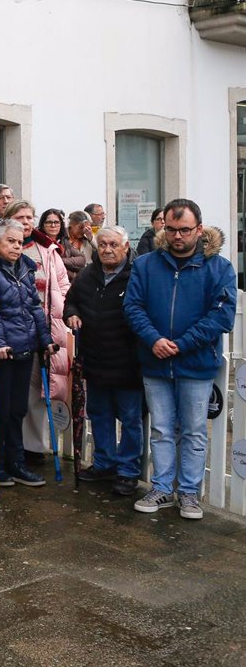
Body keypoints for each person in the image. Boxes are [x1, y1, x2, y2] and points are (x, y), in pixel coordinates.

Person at [125, 199, 235, 521]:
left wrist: (181, 344)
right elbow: (133, 307)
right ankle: (161, 488)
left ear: (199, 230)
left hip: (196, 364)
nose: (177, 236)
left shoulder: (220, 268)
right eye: (170, 229)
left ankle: (188, 493)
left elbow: (221, 316)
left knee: (194, 431)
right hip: (155, 361)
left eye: (184, 230)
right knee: (160, 429)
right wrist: (154, 340)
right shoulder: (146, 265)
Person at [0, 219, 57, 487]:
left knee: (18, 409)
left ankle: (16, 462)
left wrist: (45, 341)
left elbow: (34, 306)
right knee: (0, 409)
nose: (16, 247)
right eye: (10, 241)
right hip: (2, 351)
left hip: (25, 347)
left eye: (20, 243)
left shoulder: (25, 267)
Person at [63, 225, 142, 497]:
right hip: (95, 360)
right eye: (103, 244)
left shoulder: (136, 276)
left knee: (131, 419)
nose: (108, 249)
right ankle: (105, 463)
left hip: (127, 362)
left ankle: (129, 471)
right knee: (100, 414)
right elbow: (70, 302)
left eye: (113, 245)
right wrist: (71, 315)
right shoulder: (88, 275)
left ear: (126, 247)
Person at [3, 201, 71, 465]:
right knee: (20, 393)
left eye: (29, 216)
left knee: (43, 390)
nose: (26, 221)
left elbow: (62, 283)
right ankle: (15, 445)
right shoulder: (3, 248)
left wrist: (59, 310)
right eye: (20, 216)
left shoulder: (47, 249)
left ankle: (35, 446)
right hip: (14, 331)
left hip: (44, 329)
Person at [59, 210, 94, 282]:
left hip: (86, 279)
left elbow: (100, 252)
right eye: (81, 227)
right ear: (72, 224)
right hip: (65, 279)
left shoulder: (87, 240)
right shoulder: (62, 238)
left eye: (86, 228)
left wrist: (91, 238)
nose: (83, 231)